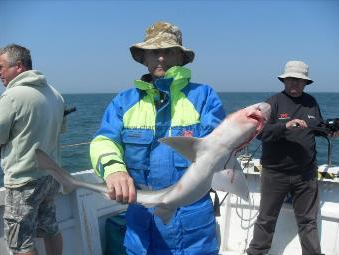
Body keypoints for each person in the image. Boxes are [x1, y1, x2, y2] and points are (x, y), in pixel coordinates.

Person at [90, 21, 226, 255]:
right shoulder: (124, 102)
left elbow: (219, 146)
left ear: (181, 57)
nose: (160, 58)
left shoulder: (204, 97)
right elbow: (104, 140)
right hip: (141, 230)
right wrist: (114, 170)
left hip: (194, 235)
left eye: (168, 51)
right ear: (144, 58)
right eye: (154, 52)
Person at [247, 60, 339, 255]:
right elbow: (259, 133)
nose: (295, 84)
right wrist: (285, 126)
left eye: (299, 81)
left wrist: (329, 131)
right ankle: (255, 252)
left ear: (306, 83)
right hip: (275, 174)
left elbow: (317, 126)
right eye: (291, 80)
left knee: (308, 221)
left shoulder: (311, 102)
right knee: (266, 219)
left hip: (305, 175)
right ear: (284, 80)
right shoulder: (272, 103)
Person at [0, 44, 65, 255]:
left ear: (18, 66)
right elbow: (60, 130)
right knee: (50, 229)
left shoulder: (11, 96)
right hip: (49, 178)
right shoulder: (54, 94)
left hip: (23, 181)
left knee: (21, 243)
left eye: (1, 67)